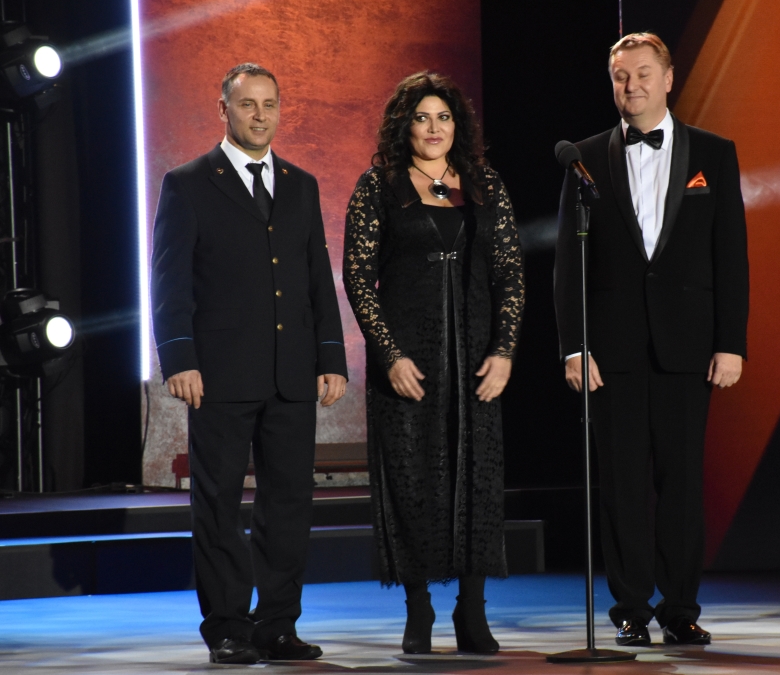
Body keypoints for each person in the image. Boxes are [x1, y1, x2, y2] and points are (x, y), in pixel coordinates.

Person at [553, 33, 749, 647]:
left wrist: (731, 342)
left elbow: (731, 255)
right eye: (620, 76)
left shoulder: (714, 154)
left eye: (642, 74)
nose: (630, 85)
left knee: (682, 483)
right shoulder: (583, 158)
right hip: (611, 352)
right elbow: (568, 265)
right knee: (622, 485)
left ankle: (681, 608)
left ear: (668, 79)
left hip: (688, 348)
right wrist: (574, 345)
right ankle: (631, 609)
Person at [151, 63, 348, 664]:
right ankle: (228, 628)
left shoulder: (301, 184)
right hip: (218, 375)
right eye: (247, 105)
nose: (260, 116)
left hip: (292, 374)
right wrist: (179, 358)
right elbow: (169, 282)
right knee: (217, 506)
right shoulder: (188, 183)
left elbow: (317, 277)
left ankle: (277, 625)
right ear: (224, 110)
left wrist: (331, 357)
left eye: (269, 104)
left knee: (289, 505)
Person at [343, 71, 524, 655]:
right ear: (405, 127)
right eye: (421, 118)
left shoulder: (485, 183)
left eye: (443, 117)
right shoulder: (378, 186)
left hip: (476, 361)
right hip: (407, 364)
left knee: (477, 479)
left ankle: (472, 610)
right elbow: (358, 278)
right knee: (412, 480)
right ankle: (418, 608)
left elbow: (510, 273)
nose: (433, 128)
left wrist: (504, 351)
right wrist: (389, 354)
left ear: (457, 125)